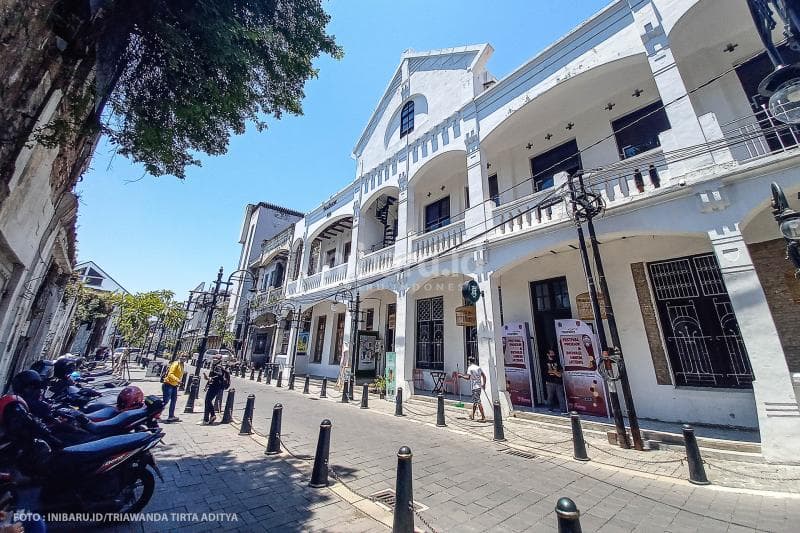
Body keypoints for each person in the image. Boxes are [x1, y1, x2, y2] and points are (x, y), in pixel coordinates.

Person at [202, 354, 229, 424]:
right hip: (213, 386)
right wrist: (206, 386)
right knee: (207, 401)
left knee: (208, 401)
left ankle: (211, 416)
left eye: (216, 358)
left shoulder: (218, 366)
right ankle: (207, 419)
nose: (214, 360)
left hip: (215, 386)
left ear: (219, 360)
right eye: (214, 358)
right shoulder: (214, 366)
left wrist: (210, 378)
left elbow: (219, 375)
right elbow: (212, 377)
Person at [460, 356, 486, 422]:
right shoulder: (478, 367)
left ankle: (483, 417)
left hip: (475, 387)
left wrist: (461, 376)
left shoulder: (470, 368)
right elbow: (484, 376)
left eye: (468, 361)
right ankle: (473, 415)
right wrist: (484, 384)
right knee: (475, 402)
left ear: (469, 361)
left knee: (478, 401)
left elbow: (468, 378)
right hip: (479, 387)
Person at [162, 355, 185, 422]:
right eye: (182, 356)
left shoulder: (182, 365)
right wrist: (178, 380)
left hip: (174, 385)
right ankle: (154, 414)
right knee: (165, 401)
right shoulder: (176, 364)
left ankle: (171, 416)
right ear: (179, 357)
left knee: (174, 401)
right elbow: (170, 374)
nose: (184, 358)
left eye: (185, 356)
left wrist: (178, 382)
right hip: (168, 384)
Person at [545, 349, 567, 413]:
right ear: (548, 354)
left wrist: (556, 373)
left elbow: (561, 371)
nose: (553, 354)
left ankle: (563, 410)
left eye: (553, 353)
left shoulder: (557, 361)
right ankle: (550, 408)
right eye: (551, 353)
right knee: (550, 397)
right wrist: (556, 372)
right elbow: (548, 371)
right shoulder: (545, 362)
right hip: (549, 382)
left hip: (558, 382)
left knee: (561, 396)